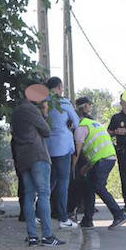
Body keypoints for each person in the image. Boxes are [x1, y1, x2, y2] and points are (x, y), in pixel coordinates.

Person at [11, 83, 64, 247]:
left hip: (22, 157)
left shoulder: (16, 112)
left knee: (28, 195)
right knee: (43, 193)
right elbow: (46, 131)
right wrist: (45, 113)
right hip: (37, 155)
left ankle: (32, 237)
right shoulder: (31, 110)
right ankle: (47, 236)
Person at [73, 96, 126, 229]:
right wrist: (87, 166)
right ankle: (87, 220)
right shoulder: (93, 123)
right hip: (106, 157)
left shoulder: (80, 128)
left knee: (98, 186)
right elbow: (94, 148)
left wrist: (72, 168)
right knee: (90, 187)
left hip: (102, 159)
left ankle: (119, 214)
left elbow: (77, 152)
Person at [43, 76, 79, 230]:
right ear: (58, 87)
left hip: (47, 147)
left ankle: (39, 214)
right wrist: (69, 125)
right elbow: (76, 122)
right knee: (63, 183)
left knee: (49, 182)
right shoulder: (64, 103)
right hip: (63, 146)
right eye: (62, 87)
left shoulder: (43, 103)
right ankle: (63, 218)